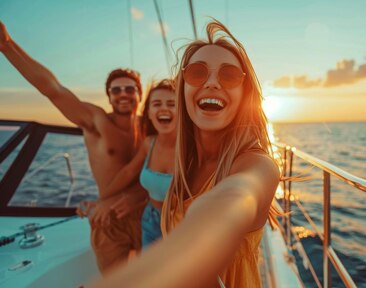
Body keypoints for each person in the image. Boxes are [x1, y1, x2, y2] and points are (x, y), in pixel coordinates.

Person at [91, 19, 280, 287]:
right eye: (197, 73)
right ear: (183, 89)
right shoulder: (183, 159)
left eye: (229, 75)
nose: (212, 82)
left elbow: (237, 196)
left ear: (244, 93)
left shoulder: (258, 165)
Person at [0, 21, 146, 273]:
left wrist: (138, 198)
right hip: (109, 219)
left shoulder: (152, 127)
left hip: (149, 213)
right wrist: (7, 46)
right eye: (116, 90)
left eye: (130, 89)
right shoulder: (96, 121)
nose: (123, 94)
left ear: (140, 94)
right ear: (109, 96)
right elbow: (53, 89)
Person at [100, 79, 176, 248]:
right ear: (148, 112)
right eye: (157, 104)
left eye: (172, 104)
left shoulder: (193, 150)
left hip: (182, 225)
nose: (164, 108)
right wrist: (101, 200)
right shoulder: (149, 143)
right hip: (150, 219)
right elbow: (128, 172)